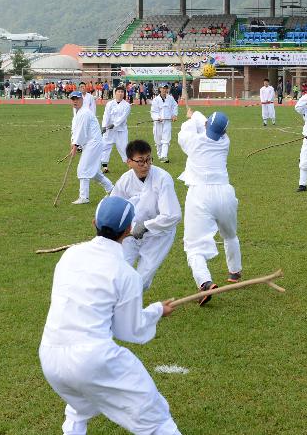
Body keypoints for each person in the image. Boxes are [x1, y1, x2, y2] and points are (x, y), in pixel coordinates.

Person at [39, 196, 181, 435]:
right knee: (154, 415)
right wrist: (157, 311)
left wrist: (156, 310)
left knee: (78, 407)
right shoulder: (126, 274)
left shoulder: (70, 255)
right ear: (127, 230)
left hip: (51, 356)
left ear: (94, 221)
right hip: (92, 358)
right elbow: (129, 330)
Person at [177, 108, 242, 304]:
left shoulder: (193, 141)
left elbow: (184, 131)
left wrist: (191, 117)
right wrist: (196, 114)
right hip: (224, 192)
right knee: (230, 234)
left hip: (200, 194)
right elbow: (208, 125)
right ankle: (235, 272)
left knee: (193, 246)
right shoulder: (225, 142)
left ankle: (205, 282)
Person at [111, 139, 181, 290]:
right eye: (140, 161)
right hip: (131, 232)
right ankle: (114, 306)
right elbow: (114, 205)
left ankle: (130, 308)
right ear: (129, 162)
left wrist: (146, 226)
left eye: (149, 159)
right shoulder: (125, 181)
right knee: (119, 269)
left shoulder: (163, 178)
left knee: (142, 278)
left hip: (159, 235)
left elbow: (172, 215)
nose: (146, 165)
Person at [70, 91, 113, 204]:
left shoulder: (84, 113)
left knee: (83, 169)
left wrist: (75, 145)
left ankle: (84, 197)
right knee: (94, 172)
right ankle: (111, 189)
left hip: (93, 143)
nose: (75, 101)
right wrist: (73, 142)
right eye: (73, 99)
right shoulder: (77, 113)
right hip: (90, 143)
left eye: (77, 99)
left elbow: (81, 132)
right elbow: (75, 130)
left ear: (82, 100)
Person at [100, 85, 131, 173]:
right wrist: (104, 126)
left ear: (124, 94)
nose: (120, 94)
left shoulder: (127, 105)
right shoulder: (110, 104)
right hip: (109, 130)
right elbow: (106, 115)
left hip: (121, 131)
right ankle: (105, 167)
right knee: (105, 146)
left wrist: (114, 124)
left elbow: (122, 118)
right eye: (119, 92)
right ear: (115, 93)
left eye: (122, 92)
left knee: (124, 147)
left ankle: (130, 165)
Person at [150, 84, 178, 163]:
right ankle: (160, 155)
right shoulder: (155, 100)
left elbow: (174, 106)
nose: (164, 90)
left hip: (167, 122)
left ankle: (164, 156)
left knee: (166, 140)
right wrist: (157, 118)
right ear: (160, 89)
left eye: (166, 88)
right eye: (163, 88)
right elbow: (154, 111)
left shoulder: (170, 98)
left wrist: (174, 115)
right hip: (158, 123)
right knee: (158, 141)